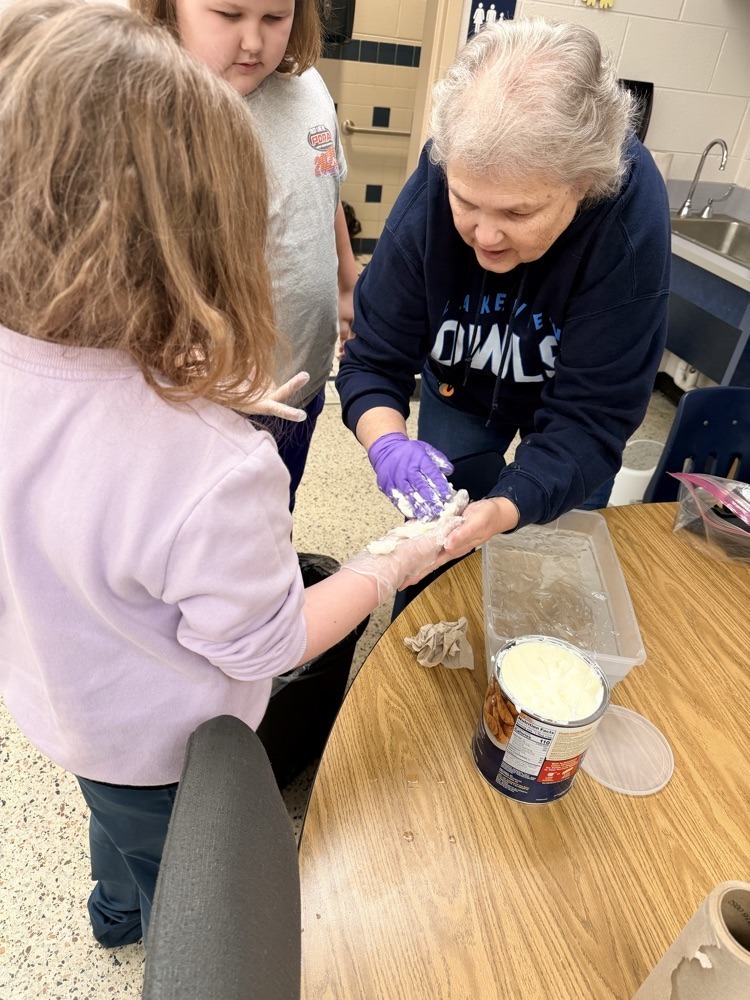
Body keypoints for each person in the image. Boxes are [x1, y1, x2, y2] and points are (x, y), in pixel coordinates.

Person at [0, 0, 460, 948]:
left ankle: (112, 917)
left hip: (70, 706)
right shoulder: (215, 473)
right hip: (175, 754)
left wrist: (205, 409)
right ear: (210, 239)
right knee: (190, 886)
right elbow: (269, 644)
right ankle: (164, 934)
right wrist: (389, 564)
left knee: (112, 827)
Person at [336, 18, 671, 610]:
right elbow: (371, 359)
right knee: (443, 559)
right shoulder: (431, 192)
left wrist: (510, 506)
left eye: (518, 213)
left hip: (573, 408)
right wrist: (387, 442)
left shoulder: (628, 222)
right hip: (459, 384)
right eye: (466, 202)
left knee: (555, 562)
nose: (484, 236)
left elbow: (593, 419)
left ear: (584, 184)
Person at [132, 0, 359, 511]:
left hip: (300, 383)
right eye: (229, 16)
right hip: (204, 406)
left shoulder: (307, 87)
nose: (254, 42)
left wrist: (347, 283)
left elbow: (326, 189)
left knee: (277, 513)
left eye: (275, 19)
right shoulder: (153, 112)